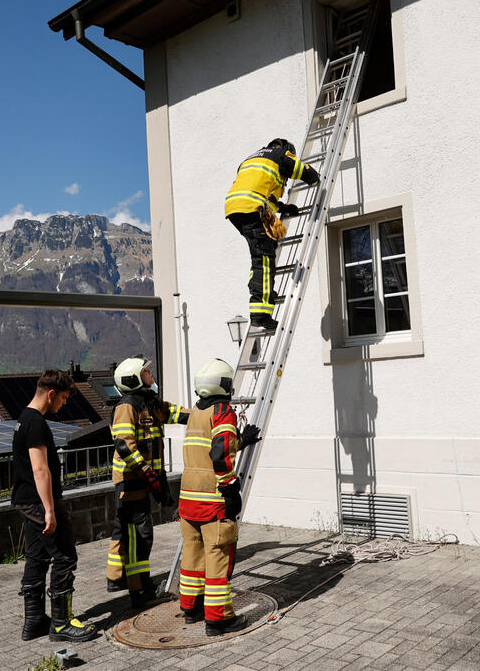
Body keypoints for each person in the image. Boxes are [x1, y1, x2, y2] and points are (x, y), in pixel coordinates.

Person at [177, 358, 262, 636]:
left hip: (188, 500)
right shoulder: (223, 411)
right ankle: (218, 618)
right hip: (213, 501)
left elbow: (210, 446)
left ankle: (191, 608)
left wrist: (242, 440)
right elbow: (220, 453)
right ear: (223, 385)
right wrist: (229, 487)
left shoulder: (196, 413)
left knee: (192, 554)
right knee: (218, 557)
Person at [11, 369, 97, 642]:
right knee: (64, 557)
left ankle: (34, 621)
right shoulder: (36, 423)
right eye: (62, 398)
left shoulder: (23, 419)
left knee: (37, 557)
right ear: (50, 394)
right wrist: (49, 509)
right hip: (39, 502)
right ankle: (60, 624)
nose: (64, 403)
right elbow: (40, 470)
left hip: (26, 500)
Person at [105, 354, 189, 608]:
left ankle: (122, 580)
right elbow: (124, 444)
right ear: (134, 380)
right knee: (138, 534)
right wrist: (146, 471)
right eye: (146, 374)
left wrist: (204, 415)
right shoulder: (127, 406)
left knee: (137, 532)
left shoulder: (149, 403)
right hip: (130, 481)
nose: (151, 377)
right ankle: (138, 591)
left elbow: (174, 413)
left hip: (143, 479)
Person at [225, 138, 320, 331]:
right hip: (252, 208)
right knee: (264, 260)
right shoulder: (280, 155)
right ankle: (261, 314)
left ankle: (261, 307)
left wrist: (283, 207)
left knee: (261, 251)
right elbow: (301, 169)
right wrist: (315, 178)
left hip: (235, 208)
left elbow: (261, 192)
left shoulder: (251, 159)